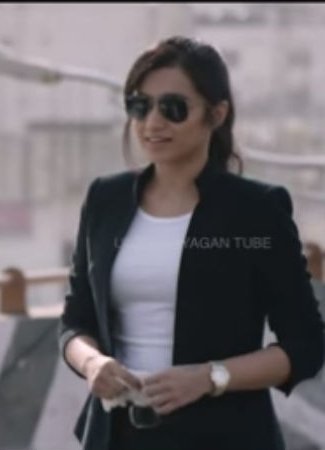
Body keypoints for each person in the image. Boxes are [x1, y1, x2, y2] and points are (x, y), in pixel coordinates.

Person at [59, 36, 325, 450]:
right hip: (117, 436)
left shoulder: (256, 210)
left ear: (216, 114)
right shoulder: (104, 200)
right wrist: (93, 363)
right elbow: (76, 322)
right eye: (140, 106)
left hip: (225, 437)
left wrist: (209, 377)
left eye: (174, 108)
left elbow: (305, 344)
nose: (153, 122)